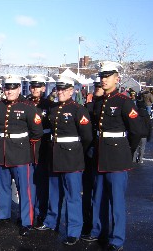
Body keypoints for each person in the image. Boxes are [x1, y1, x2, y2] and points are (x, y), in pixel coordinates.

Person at [81, 61, 143, 251]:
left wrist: (127, 152)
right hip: (101, 156)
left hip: (117, 157)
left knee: (116, 201)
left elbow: (137, 131)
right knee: (98, 198)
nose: (104, 79)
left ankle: (117, 239)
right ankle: (98, 231)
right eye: (102, 76)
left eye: (108, 76)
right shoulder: (99, 102)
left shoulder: (124, 102)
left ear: (117, 78)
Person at [38, 75, 92, 245]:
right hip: (55, 156)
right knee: (54, 193)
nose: (60, 92)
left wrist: (77, 153)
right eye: (58, 89)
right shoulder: (53, 109)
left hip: (72, 157)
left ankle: (73, 231)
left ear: (72, 91)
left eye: (63, 89)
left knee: (73, 196)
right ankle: (51, 221)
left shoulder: (79, 110)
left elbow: (87, 137)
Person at [0, 74, 44, 236]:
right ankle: (4, 214)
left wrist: (24, 146)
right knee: (3, 186)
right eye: (7, 88)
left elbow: (37, 132)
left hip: (21, 154)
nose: (9, 91)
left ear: (19, 89)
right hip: (2, 153)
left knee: (24, 190)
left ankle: (26, 221)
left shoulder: (27, 106)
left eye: (13, 88)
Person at [25, 74, 51, 227]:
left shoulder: (49, 104)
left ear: (43, 88)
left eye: (38, 86)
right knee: (29, 183)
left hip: (44, 146)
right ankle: (29, 213)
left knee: (42, 183)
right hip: (28, 145)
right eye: (33, 86)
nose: (35, 89)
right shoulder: (25, 103)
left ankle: (42, 213)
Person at [82, 75, 104, 235]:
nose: (97, 89)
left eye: (99, 86)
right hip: (88, 151)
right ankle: (87, 223)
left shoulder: (110, 105)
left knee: (100, 192)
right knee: (87, 190)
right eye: (96, 86)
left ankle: (99, 227)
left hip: (105, 152)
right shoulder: (88, 107)